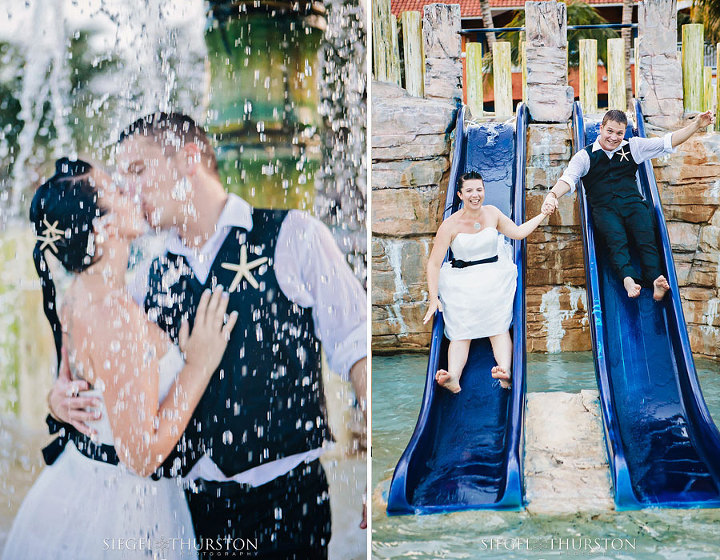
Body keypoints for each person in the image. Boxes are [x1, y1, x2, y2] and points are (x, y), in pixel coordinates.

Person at [48, 113, 367, 559]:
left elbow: (356, 345)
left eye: (138, 170)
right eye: (122, 178)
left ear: (188, 157)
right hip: (193, 510)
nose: (130, 190)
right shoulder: (143, 282)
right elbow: (102, 361)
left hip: (290, 503)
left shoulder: (294, 235)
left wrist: (378, 468)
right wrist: (60, 395)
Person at [3, 158, 237, 560]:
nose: (131, 189)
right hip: (124, 512)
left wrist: (56, 399)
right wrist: (199, 365)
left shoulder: (77, 293)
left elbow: (71, 382)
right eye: (115, 188)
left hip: (78, 481)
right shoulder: (117, 319)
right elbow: (141, 456)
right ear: (103, 228)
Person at [541, 108, 714, 300]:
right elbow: (568, 179)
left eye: (619, 133)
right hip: (604, 208)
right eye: (610, 131)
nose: (614, 137)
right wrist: (552, 194)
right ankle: (628, 278)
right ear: (601, 128)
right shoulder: (585, 156)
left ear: (624, 133)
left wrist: (697, 125)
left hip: (631, 203)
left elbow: (668, 141)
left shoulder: (633, 147)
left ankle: (655, 278)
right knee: (616, 238)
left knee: (645, 231)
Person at [423, 171, 550, 392]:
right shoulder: (450, 225)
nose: (475, 195)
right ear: (461, 194)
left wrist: (542, 214)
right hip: (461, 281)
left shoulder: (492, 213)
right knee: (460, 332)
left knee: (498, 328)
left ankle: (505, 373)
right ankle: (453, 377)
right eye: (469, 191)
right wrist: (433, 298)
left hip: (493, 276)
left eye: (479, 190)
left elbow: (518, 233)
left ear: (484, 191)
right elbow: (433, 264)